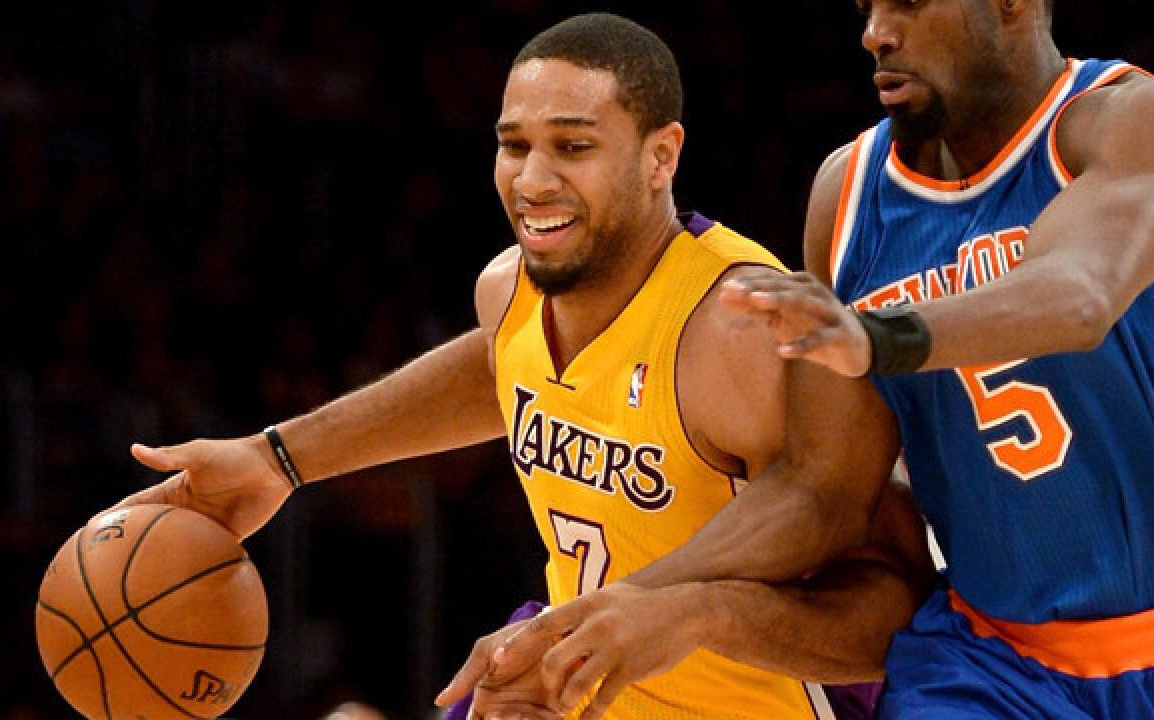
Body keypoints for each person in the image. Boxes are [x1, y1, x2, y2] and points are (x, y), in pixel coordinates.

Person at [114, 12, 933, 720]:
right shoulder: (508, 292)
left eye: (573, 146)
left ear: (660, 156)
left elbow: (895, 606)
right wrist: (280, 458)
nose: (533, 180)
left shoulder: (743, 329)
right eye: (515, 146)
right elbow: (504, 367)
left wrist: (680, 611)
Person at [490, 1, 1154, 718]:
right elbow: (822, 492)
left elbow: (1079, 296)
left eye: (907, 3)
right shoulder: (848, 195)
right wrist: (621, 607)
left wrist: (878, 336)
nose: (876, 33)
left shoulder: (1122, 119)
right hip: (992, 659)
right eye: (868, 9)